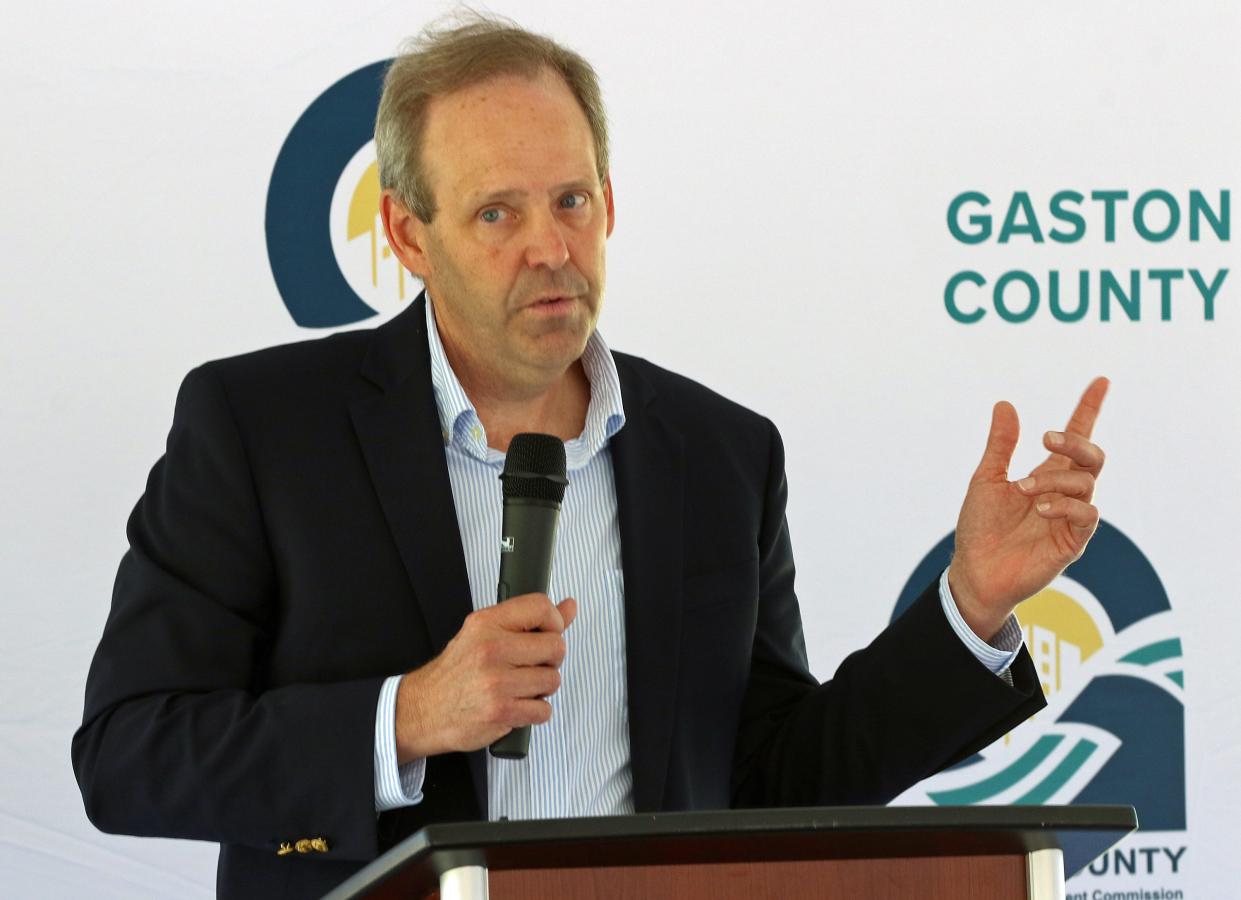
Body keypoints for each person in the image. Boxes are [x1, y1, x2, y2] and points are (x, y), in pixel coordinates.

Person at [72, 15, 1109, 900]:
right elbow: (130, 756)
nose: (549, 246)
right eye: (495, 212)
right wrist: (409, 717)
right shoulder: (262, 428)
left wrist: (968, 607)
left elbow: (775, 783)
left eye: (570, 200)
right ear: (406, 234)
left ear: (608, 205)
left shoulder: (718, 452)